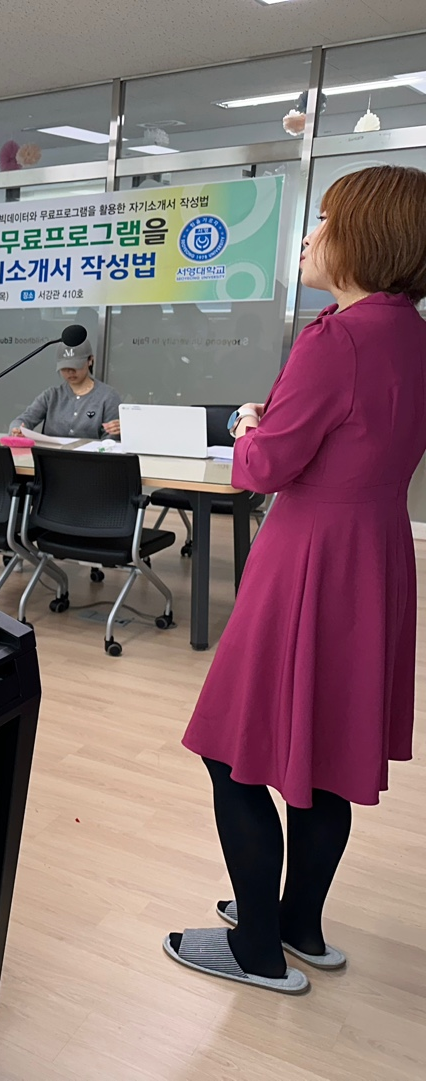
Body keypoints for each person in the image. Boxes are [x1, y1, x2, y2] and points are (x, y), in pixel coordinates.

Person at [165, 165, 426, 994]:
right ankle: (299, 925)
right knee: (328, 756)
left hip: (308, 554)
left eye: (324, 222)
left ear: (368, 238)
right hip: (376, 555)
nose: (309, 237)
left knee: (229, 753)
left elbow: (262, 468)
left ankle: (256, 949)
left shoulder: (336, 338)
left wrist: (248, 423)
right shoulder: (413, 335)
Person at [8, 336, 121, 439]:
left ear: (90, 360)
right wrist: (17, 429)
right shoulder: (51, 395)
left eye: (76, 366)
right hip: (51, 453)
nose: (70, 372)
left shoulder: (108, 396)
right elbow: (25, 418)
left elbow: (111, 439)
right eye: (64, 368)